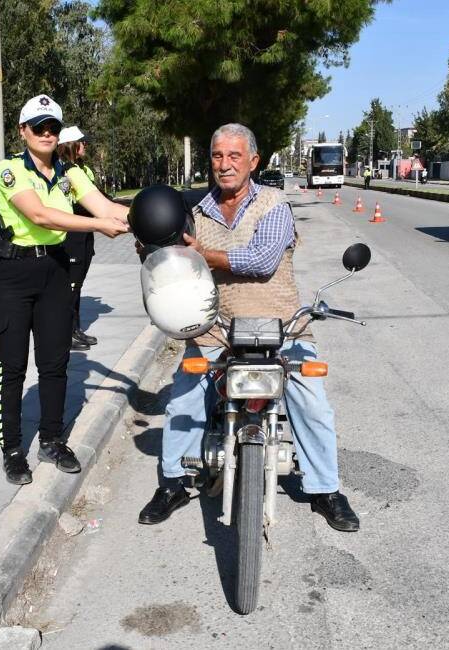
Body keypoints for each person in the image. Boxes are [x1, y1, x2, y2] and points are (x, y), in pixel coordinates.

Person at [137, 123, 360, 532]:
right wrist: (153, 250)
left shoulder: (274, 204)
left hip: (282, 326)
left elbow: (262, 260)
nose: (225, 164)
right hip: (217, 328)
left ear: (253, 161)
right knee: (184, 399)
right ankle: (172, 483)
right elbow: (172, 258)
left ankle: (326, 489)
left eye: (234, 156)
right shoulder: (197, 212)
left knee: (312, 401)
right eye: (218, 156)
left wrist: (202, 253)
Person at [0, 94, 129, 486]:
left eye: (53, 127)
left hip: (53, 270)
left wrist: (154, 217)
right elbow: (40, 215)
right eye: (39, 127)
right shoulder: (10, 169)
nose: (47, 134)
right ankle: (12, 450)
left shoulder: (70, 173)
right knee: (11, 367)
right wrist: (97, 226)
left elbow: (106, 208)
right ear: (23, 131)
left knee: (55, 363)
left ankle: (51, 439)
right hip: (12, 274)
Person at [56, 126, 98, 351]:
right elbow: (71, 204)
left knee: (77, 284)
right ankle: (65, 333)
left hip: (85, 234)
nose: (85, 145)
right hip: (72, 235)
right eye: (82, 142)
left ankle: (75, 329)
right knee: (70, 286)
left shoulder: (83, 169)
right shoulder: (63, 171)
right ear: (71, 145)